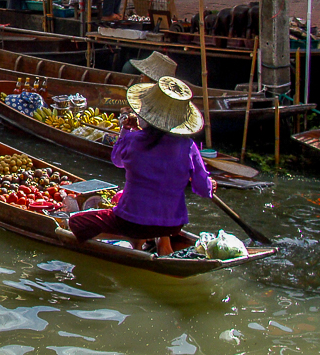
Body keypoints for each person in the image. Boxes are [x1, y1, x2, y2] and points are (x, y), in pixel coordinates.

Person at [67, 76, 213, 256]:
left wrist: (125, 130)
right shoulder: (189, 146)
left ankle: (132, 239)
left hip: (131, 223)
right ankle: (161, 244)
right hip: (173, 224)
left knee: (75, 222)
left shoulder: (134, 140)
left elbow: (118, 161)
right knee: (147, 205)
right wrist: (210, 183)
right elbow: (203, 190)